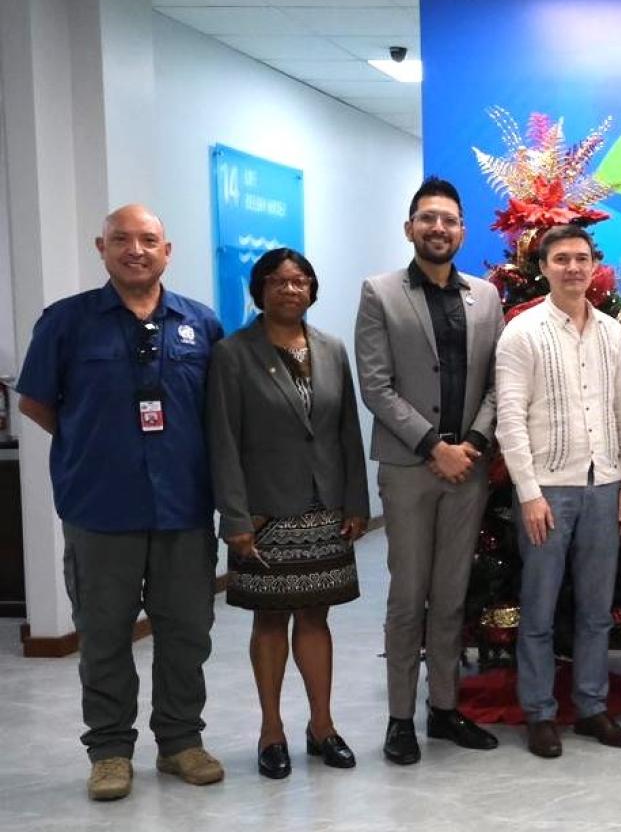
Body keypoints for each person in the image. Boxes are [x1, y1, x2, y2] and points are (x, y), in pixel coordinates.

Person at [15, 204, 225, 800]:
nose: (136, 249)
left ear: (168, 250)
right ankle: (109, 751)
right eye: (122, 239)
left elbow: (219, 411)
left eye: (148, 240)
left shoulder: (201, 324)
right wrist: (95, 440)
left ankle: (181, 740)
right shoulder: (66, 322)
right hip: (99, 506)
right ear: (100, 246)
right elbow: (35, 401)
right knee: (104, 633)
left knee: (187, 630)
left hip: (184, 506)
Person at [355, 176, 505, 764]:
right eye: (428, 219)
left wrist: (470, 442)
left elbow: (498, 381)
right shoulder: (380, 292)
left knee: (450, 595)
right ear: (410, 227)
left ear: (462, 230)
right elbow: (376, 384)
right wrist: (431, 445)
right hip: (410, 468)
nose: (438, 228)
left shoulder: (486, 296)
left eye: (448, 220)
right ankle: (400, 719)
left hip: (466, 467)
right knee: (407, 594)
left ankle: (443, 710)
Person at [207, 248, 368, 779]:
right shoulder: (234, 353)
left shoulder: (331, 348)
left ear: (312, 289)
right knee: (270, 619)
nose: (290, 289)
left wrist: (356, 503)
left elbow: (346, 429)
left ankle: (322, 727)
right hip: (264, 515)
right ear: (259, 291)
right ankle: (271, 731)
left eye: (300, 281)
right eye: (277, 281)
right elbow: (223, 440)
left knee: (317, 617)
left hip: (324, 511)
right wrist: (233, 516)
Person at [494, 225, 621, 758]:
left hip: (604, 488)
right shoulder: (522, 332)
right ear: (544, 267)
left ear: (593, 264)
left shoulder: (611, 332)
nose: (573, 268)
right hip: (548, 494)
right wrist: (528, 492)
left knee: (596, 609)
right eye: (561, 259)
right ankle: (539, 713)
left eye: (582, 258)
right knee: (538, 608)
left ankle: (592, 706)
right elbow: (509, 419)